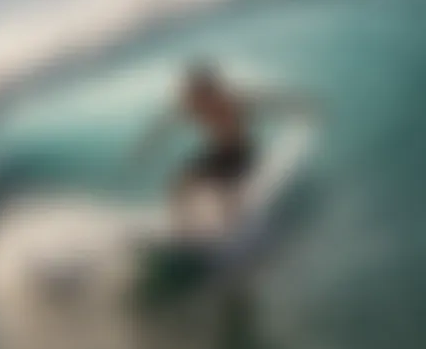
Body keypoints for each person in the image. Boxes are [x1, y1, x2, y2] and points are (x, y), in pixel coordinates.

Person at [129, 62, 318, 236]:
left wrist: (301, 105)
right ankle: (184, 230)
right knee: (180, 185)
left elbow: (270, 101)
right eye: (194, 93)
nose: (197, 98)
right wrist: (143, 149)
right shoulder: (193, 105)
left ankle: (238, 228)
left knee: (226, 192)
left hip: (242, 152)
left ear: (211, 89)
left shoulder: (234, 100)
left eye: (201, 92)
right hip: (217, 153)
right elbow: (163, 127)